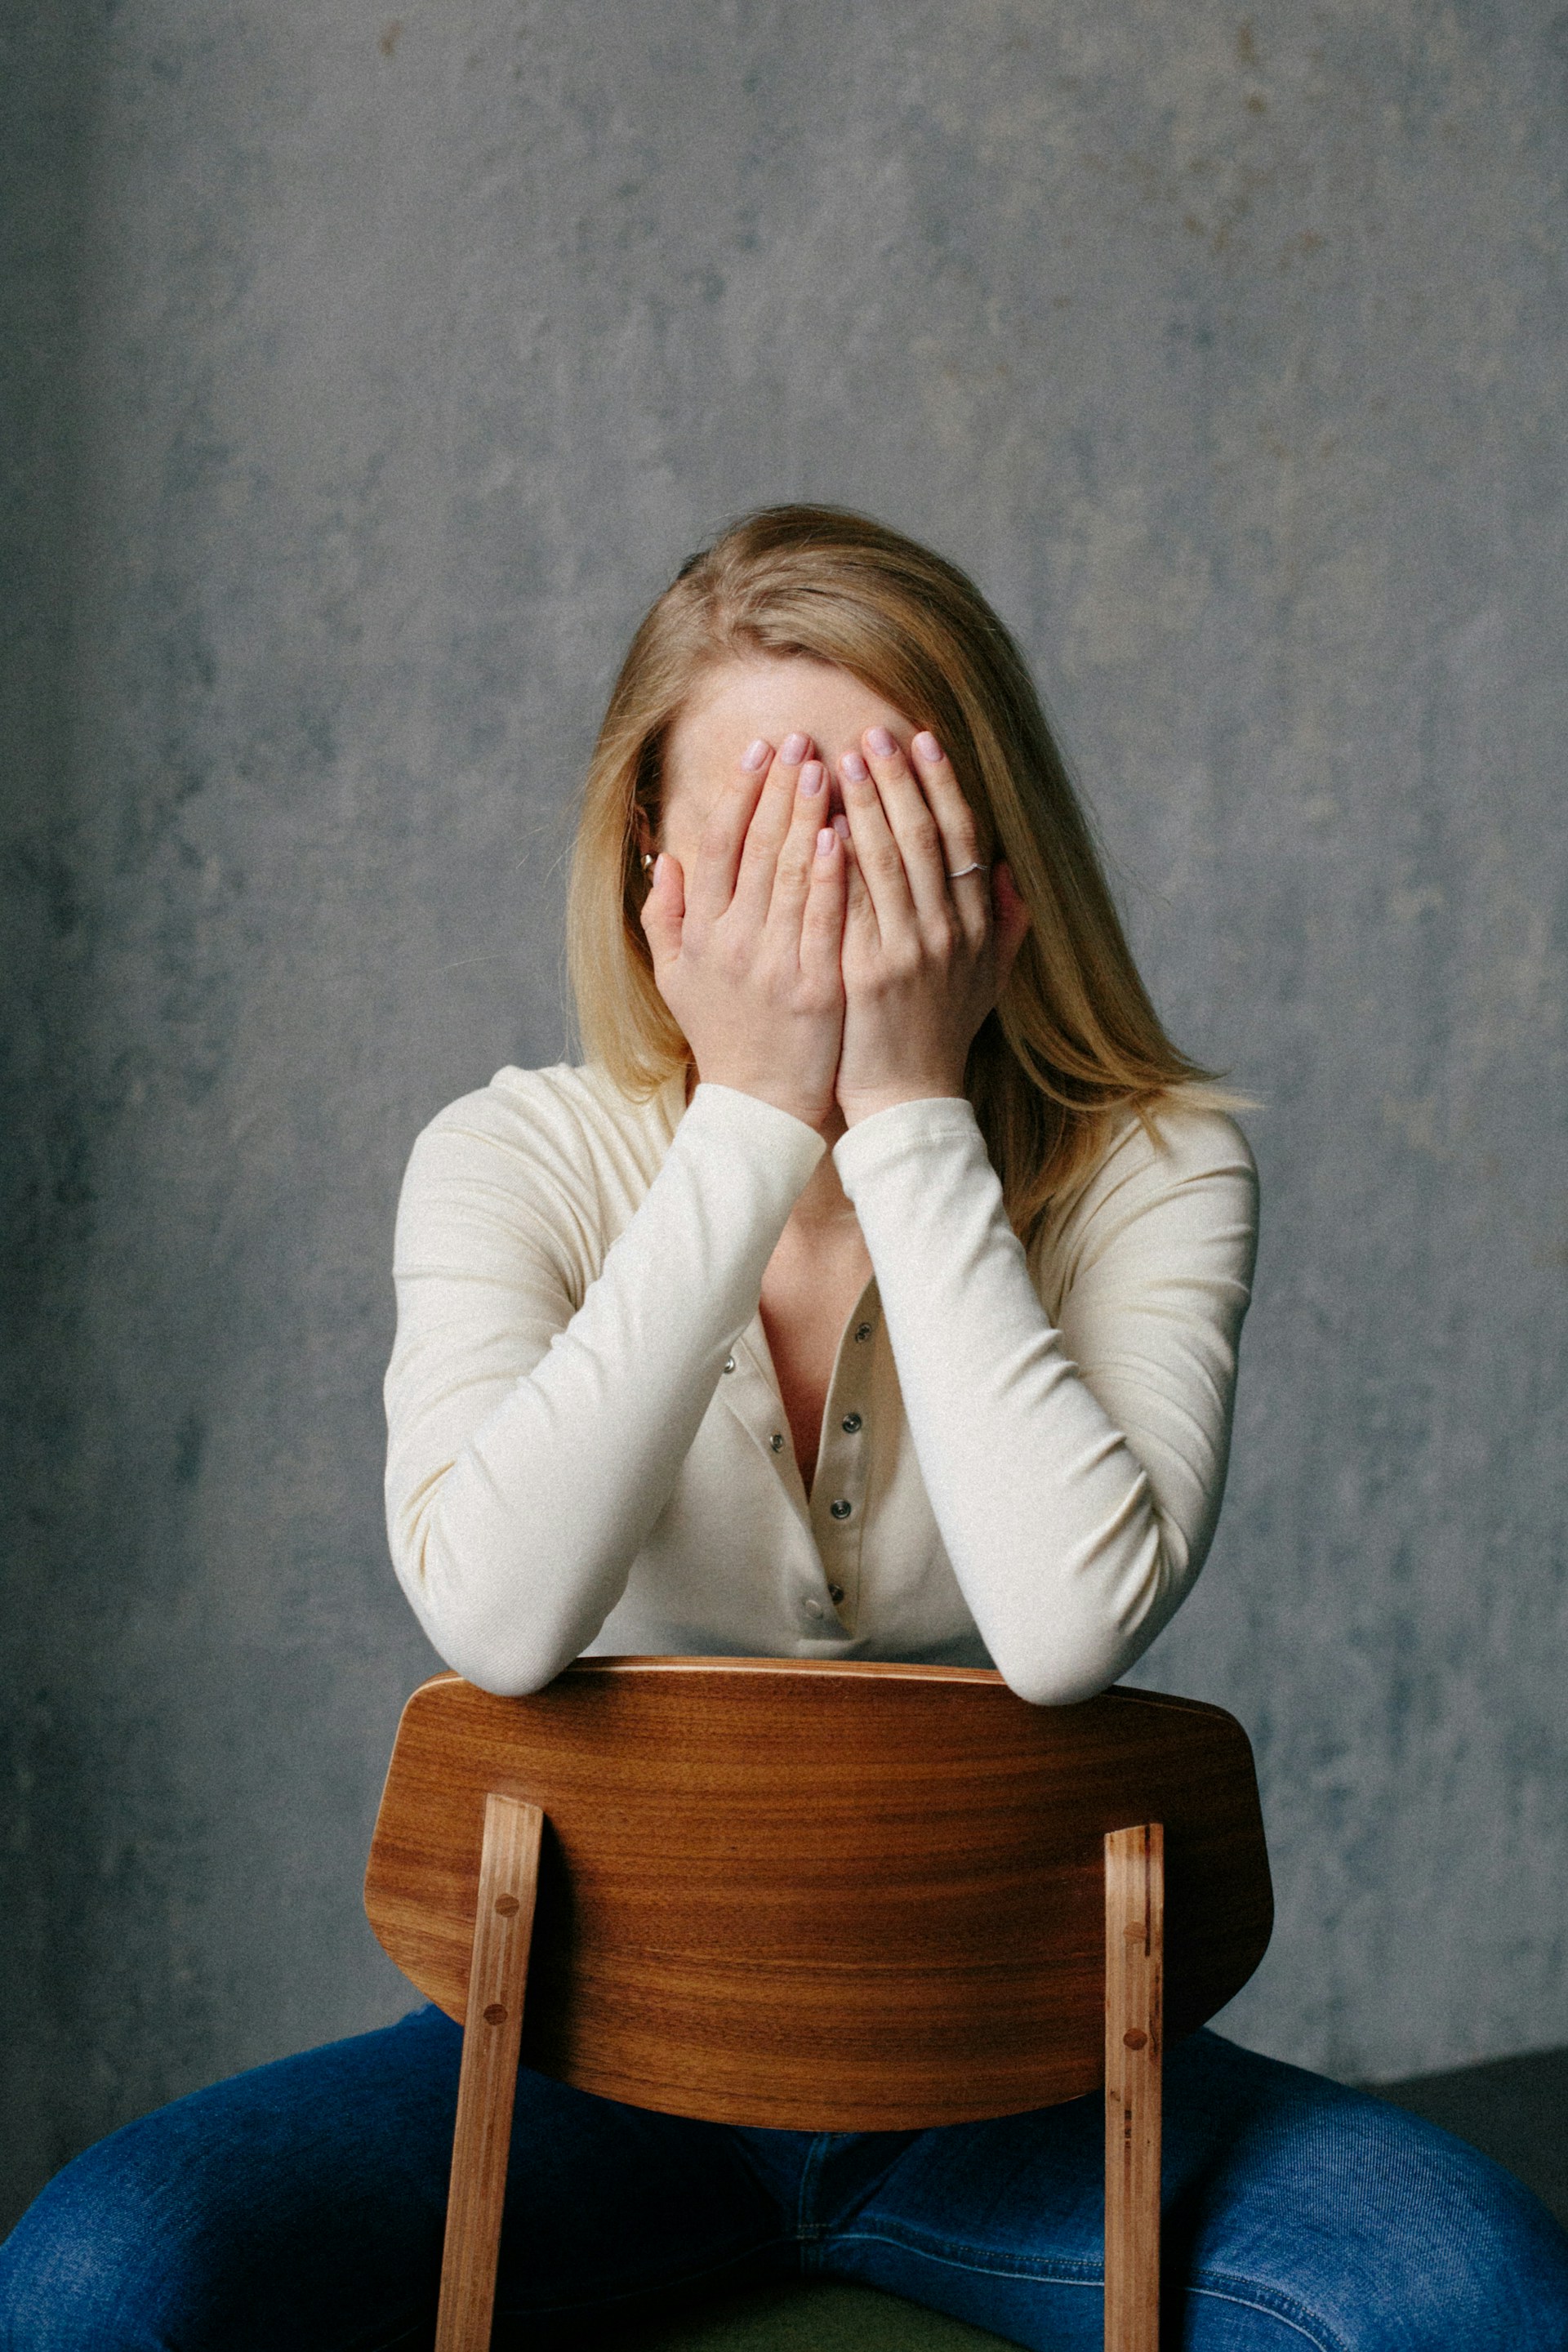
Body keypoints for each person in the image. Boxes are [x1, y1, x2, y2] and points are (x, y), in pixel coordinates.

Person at [2, 507, 1564, 2350]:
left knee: (1479, 2293)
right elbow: (496, 1621)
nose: (820, 896)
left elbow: (1071, 1633)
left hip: (1028, 2066)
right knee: (100, 2281)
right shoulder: (507, 1159)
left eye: (877, 826)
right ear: (652, 871)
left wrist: (907, 1115)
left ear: (992, 862)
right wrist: (748, 1122)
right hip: (586, 2058)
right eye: (757, 839)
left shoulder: (1160, 1162)